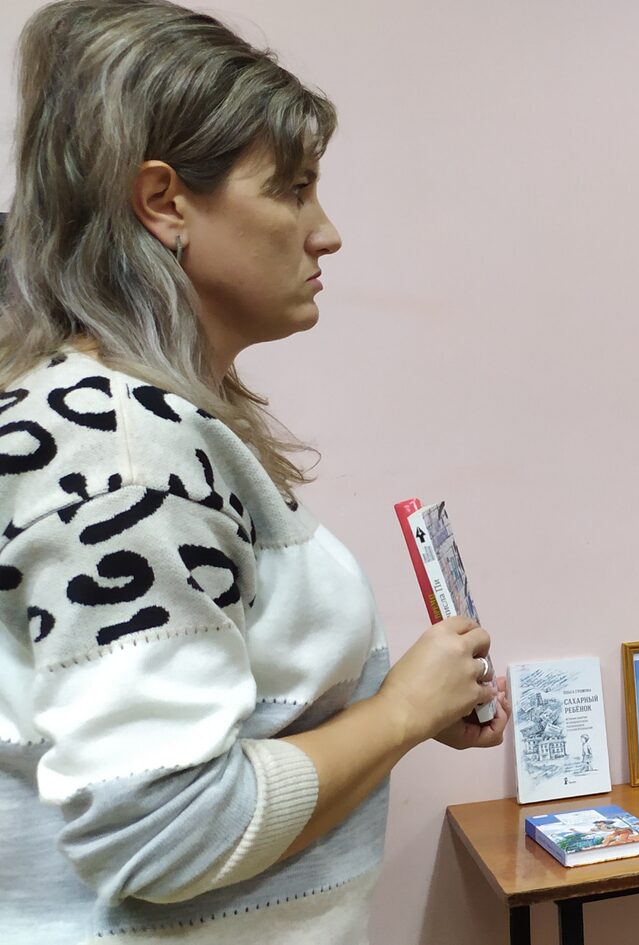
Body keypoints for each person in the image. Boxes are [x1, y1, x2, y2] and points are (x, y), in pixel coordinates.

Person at [0, 2, 509, 941]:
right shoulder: (122, 456)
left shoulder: (144, 426)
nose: (327, 233)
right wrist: (400, 712)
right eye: (293, 189)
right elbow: (164, 829)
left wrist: (390, 708)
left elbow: (205, 734)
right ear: (164, 202)